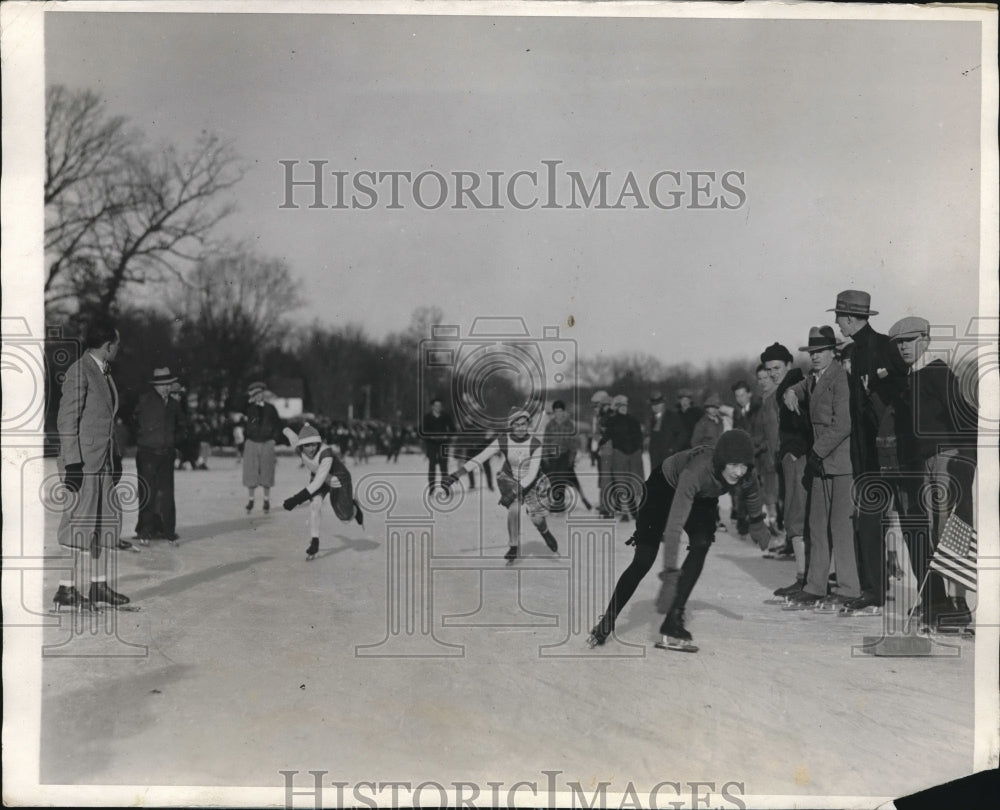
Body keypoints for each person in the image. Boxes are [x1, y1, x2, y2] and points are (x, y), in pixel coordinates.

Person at [588, 430, 772, 652]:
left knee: (701, 543)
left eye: (744, 466)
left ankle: (673, 620)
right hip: (662, 489)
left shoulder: (745, 473)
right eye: (733, 464)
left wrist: (757, 522)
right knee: (644, 559)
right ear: (722, 460)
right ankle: (607, 620)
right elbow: (674, 528)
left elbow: (753, 493)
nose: (739, 472)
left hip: (703, 498)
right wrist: (670, 576)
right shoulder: (696, 471)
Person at [889, 317, 977, 630]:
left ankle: (958, 605)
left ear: (926, 340)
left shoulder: (939, 373)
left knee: (949, 532)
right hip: (924, 465)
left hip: (947, 460)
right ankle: (941, 605)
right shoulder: (910, 379)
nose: (904, 348)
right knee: (932, 533)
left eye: (910, 341)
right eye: (899, 343)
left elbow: (967, 419)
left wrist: (964, 462)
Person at [829, 290, 908, 614]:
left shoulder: (884, 345)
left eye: (839, 317)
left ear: (849, 318)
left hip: (889, 452)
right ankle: (873, 589)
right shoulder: (856, 351)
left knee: (909, 519)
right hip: (865, 453)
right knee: (868, 520)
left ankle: (935, 596)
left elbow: (902, 388)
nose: (836, 323)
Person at [52, 317, 132, 612]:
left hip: (103, 462)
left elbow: (106, 421)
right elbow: (66, 420)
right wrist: (72, 463)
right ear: (108, 345)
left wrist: (116, 457)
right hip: (83, 465)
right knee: (77, 525)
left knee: (103, 525)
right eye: (117, 343)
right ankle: (66, 589)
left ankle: (98, 585)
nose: (119, 348)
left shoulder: (104, 372)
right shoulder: (80, 371)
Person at [782, 327, 862, 611]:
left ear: (833, 352)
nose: (814, 357)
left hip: (839, 463)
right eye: (811, 353)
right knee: (816, 526)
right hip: (821, 463)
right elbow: (804, 388)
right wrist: (790, 391)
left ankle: (849, 589)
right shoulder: (814, 378)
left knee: (840, 528)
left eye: (819, 352)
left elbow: (844, 424)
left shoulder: (841, 378)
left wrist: (816, 451)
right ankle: (815, 586)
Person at [442, 407, 559, 563]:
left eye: (524, 424)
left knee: (537, 519)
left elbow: (531, 474)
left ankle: (545, 532)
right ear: (511, 425)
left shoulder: (535, 444)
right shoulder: (503, 440)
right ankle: (513, 546)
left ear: (528, 424)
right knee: (514, 508)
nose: (521, 428)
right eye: (517, 425)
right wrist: (456, 475)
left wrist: (514, 492)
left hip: (533, 481)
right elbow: (480, 457)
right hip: (510, 478)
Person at [761, 344, 814, 597]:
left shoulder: (794, 388)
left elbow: (807, 423)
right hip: (789, 461)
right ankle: (806, 576)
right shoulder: (780, 390)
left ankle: (805, 578)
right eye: (768, 369)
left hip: (798, 461)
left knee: (797, 516)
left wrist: (795, 450)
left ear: (789, 366)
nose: (772, 373)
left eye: (777, 368)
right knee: (795, 515)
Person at [281, 424, 364, 559]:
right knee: (315, 505)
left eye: (314, 444)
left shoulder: (326, 454)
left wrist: (295, 500)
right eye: (307, 445)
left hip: (338, 479)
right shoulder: (298, 448)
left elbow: (317, 483)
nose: (312, 448)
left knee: (345, 518)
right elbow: (290, 434)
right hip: (319, 477)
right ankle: (314, 542)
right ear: (301, 445)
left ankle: (354, 507)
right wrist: (285, 429)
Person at [132, 367, 186, 544]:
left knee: (167, 494)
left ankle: (168, 531)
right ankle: (146, 531)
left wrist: (173, 441)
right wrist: (143, 438)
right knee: (148, 492)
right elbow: (133, 421)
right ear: (155, 386)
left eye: (168, 385)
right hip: (147, 454)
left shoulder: (174, 405)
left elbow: (183, 427)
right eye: (162, 385)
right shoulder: (145, 401)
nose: (166, 388)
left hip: (166, 454)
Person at [602, 394, 644, 520]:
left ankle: (635, 509)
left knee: (634, 483)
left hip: (634, 454)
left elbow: (639, 436)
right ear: (616, 408)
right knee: (621, 483)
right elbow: (605, 433)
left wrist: (637, 447)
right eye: (621, 406)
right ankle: (625, 512)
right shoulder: (612, 420)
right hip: (619, 454)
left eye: (625, 406)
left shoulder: (633, 420)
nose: (624, 408)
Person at [243, 381, 283, 513]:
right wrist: (247, 400)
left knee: (267, 471)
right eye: (255, 394)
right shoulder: (248, 408)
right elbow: (235, 405)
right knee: (251, 471)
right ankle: (251, 500)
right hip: (252, 442)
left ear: (263, 394)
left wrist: (274, 439)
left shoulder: (270, 408)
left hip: (267, 442)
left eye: (260, 393)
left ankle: (266, 500)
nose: (258, 396)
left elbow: (278, 424)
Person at [542, 400, 589, 511]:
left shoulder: (569, 425)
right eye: (556, 411)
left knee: (561, 479)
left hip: (564, 455)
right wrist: (545, 457)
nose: (559, 414)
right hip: (552, 456)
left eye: (561, 411)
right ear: (554, 412)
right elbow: (546, 441)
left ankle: (560, 503)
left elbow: (573, 443)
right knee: (553, 479)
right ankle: (555, 501)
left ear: (564, 412)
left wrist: (571, 458)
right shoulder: (550, 425)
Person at [728, 381, 760, 537]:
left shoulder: (757, 409)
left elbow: (760, 432)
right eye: (737, 396)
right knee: (741, 489)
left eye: (742, 395)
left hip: (758, 455)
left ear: (749, 394)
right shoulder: (737, 412)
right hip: (742, 457)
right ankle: (743, 522)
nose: (740, 398)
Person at [590, 390, 615, 516]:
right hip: (602, 451)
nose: (595, 407)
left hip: (609, 450)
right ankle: (604, 502)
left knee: (608, 477)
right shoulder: (598, 417)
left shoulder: (608, 417)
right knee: (603, 478)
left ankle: (608, 503)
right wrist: (594, 449)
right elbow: (595, 434)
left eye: (597, 404)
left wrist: (597, 445)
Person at [647, 391, 686, 472]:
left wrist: (673, 448)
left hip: (669, 456)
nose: (656, 407)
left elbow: (682, 434)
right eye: (654, 405)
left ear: (663, 404)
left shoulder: (672, 416)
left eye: (658, 404)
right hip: (655, 458)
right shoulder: (651, 419)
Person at [422, 397, 455, 493]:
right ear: (432, 407)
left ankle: (445, 486)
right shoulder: (427, 417)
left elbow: (453, 430)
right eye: (436, 405)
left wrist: (446, 436)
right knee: (432, 466)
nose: (438, 407)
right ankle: (432, 487)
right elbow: (422, 431)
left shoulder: (446, 416)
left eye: (439, 406)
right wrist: (430, 436)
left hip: (443, 444)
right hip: (431, 444)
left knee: (444, 466)